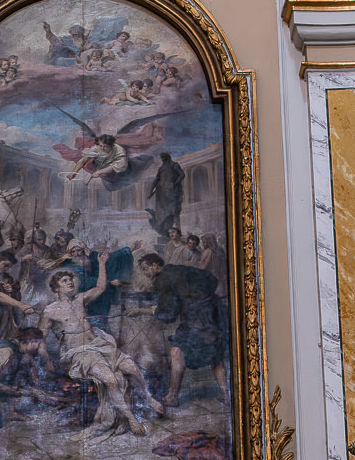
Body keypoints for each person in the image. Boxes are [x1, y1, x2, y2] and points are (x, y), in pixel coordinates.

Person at [41, 251, 162, 435]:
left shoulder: (80, 299)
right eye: (65, 281)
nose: (70, 282)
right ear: (56, 288)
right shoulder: (50, 311)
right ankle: (131, 418)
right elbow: (40, 337)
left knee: (131, 366)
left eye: (71, 280)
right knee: (110, 379)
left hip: (99, 343)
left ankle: (148, 398)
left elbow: (100, 287)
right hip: (78, 353)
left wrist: (102, 263)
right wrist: (47, 361)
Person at [139, 251, 228, 408]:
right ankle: (226, 395)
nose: (145, 273)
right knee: (215, 353)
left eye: (145, 269)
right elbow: (211, 280)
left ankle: (172, 396)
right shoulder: (180, 269)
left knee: (177, 351)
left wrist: (152, 311)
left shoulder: (163, 280)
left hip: (196, 319)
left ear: (155, 265)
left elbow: (169, 314)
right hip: (215, 314)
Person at [149, 150, 183, 239]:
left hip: (173, 194)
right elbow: (156, 180)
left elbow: (182, 175)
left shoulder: (174, 165)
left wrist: (174, 184)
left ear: (168, 158)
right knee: (164, 214)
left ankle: (179, 232)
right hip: (162, 194)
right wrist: (151, 191)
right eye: (162, 159)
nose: (163, 160)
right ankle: (166, 233)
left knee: (175, 213)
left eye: (164, 158)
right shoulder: (161, 168)